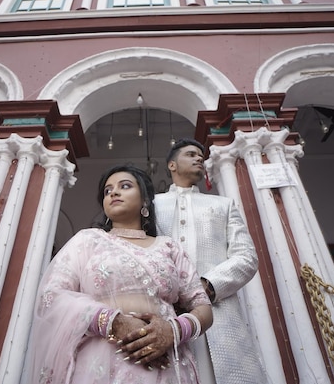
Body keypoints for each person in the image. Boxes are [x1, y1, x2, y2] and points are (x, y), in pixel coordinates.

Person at [23, 164, 213, 384]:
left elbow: (203, 307)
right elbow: (52, 296)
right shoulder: (87, 241)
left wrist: (174, 330)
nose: (113, 192)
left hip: (168, 364)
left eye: (125, 186)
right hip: (100, 365)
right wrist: (112, 321)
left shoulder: (168, 247)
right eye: (107, 190)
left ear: (144, 201)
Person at [154, 139, 267, 384]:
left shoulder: (223, 205)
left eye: (201, 156)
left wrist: (207, 287)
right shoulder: (152, 205)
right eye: (191, 154)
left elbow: (246, 256)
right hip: (164, 313)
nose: (199, 159)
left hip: (220, 313)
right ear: (172, 165)